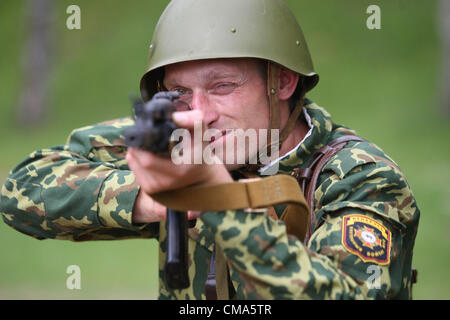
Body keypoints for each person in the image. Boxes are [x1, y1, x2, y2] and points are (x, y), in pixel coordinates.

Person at [0, 0, 420, 300]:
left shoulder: (360, 176)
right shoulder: (173, 135)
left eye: (223, 86)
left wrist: (216, 198)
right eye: (180, 92)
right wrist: (149, 199)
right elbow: (21, 188)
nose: (200, 114)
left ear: (283, 82)